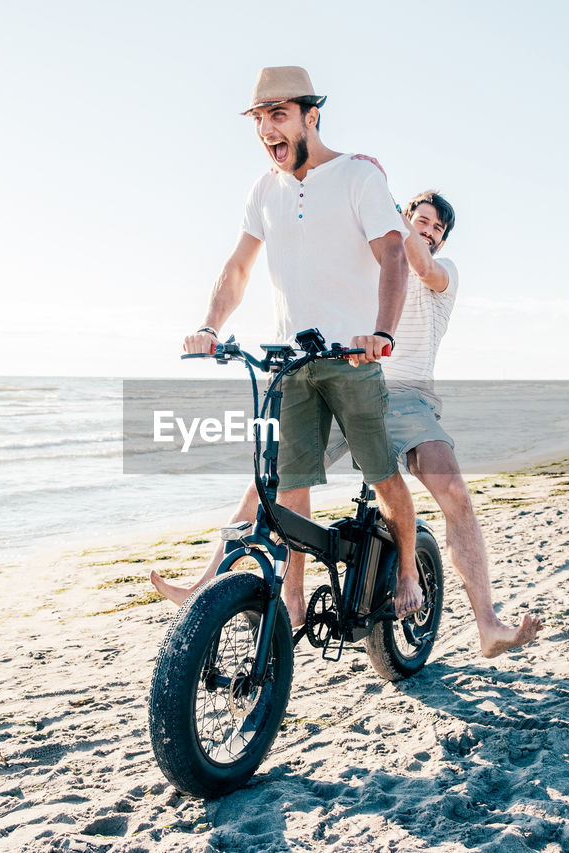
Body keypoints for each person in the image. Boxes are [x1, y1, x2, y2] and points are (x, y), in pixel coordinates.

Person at [157, 189, 544, 658]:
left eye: (436, 227)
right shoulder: (371, 266)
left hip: (408, 398)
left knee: (455, 491)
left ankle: (488, 625)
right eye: (420, 219)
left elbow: (419, 263)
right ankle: (215, 587)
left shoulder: (442, 275)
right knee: (274, 479)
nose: (427, 229)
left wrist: (386, 202)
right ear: (405, 218)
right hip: (354, 385)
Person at [181, 66, 422, 628]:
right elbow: (238, 268)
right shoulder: (264, 190)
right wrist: (211, 326)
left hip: (353, 359)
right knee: (288, 485)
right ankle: (290, 597)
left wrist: (382, 332)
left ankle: (408, 566)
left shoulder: (358, 176)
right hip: (290, 364)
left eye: (279, 115)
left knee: (382, 474)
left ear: (311, 117)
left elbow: (392, 255)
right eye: (260, 119)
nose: (268, 129)